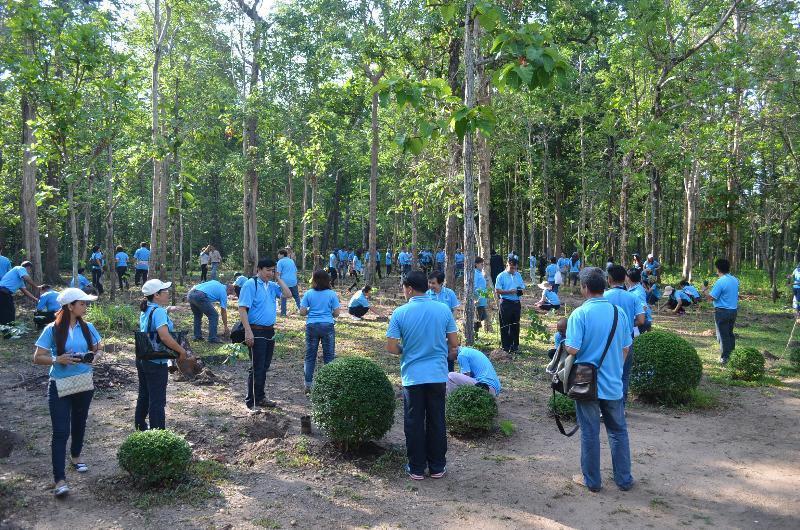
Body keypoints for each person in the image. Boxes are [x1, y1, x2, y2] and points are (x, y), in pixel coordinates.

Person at [564, 267, 634, 493]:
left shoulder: (579, 314)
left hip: (587, 384)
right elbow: (626, 347)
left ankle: (592, 481)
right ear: (604, 286)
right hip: (613, 383)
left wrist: (564, 344)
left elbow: (573, 348)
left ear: (584, 288)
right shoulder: (618, 313)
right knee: (618, 431)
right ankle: (624, 479)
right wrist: (614, 368)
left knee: (590, 432)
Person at [386, 271, 459, 480]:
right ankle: (437, 467)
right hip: (437, 374)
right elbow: (454, 343)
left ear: (409, 288)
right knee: (437, 419)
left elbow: (391, 347)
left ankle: (416, 467)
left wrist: (405, 350)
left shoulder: (400, 313)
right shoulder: (443, 310)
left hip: (413, 376)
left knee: (414, 421)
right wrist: (436, 345)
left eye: (403, 288)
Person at [32, 288, 101, 497]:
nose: (86, 307)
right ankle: (60, 479)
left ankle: (76, 456)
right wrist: (57, 359)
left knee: (80, 422)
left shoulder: (88, 327)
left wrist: (94, 357)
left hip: (83, 383)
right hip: (59, 385)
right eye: (82, 303)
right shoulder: (52, 329)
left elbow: (99, 348)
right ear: (70, 306)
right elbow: (38, 356)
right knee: (60, 431)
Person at [238, 258, 291, 409]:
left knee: (265, 366)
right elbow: (242, 309)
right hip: (256, 330)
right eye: (267, 270)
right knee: (257, 366)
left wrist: (278, 278)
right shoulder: (251, 284)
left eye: (272, 270)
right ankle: (251, 402)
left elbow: (288, 294)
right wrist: (248, 332)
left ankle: (260, 397)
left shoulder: (272, 285)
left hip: (269, 331)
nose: (270, 273)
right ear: (259, 270)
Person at [137, 280, 188, 430]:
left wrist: (169, 310)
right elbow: (164, 336)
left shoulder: (147, 309)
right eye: (164, 291)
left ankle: (140, 427)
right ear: (156, 295)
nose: (167, 293)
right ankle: (158, 433)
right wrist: (181, 350)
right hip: (156, 361)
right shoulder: (158, 311)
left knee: (144, 395)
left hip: (143, 358)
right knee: (157, 400)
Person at [605, 265, 645, 403]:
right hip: (626, 341)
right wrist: (628, 323)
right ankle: (620, 407)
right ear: (625, 279)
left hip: (607, 341)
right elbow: (641, 320)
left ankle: (605, 407)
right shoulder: (633, 297)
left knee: (607, 373)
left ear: (609, 280)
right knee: (624, 374)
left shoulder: (603, 296)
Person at [299, 270, 341, 393]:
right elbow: (337, 313)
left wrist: (310, 311)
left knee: (310, 356)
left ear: (315, 280)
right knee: (329, 356)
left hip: (312, 325)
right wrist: (328, 313)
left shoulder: (308, 293)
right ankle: (328, 384)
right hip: (327, 325)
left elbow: (302, 312)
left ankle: (308, 384)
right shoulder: (331, 294)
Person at [702, 258, 739, 364]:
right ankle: (732, 355)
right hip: (733, 311)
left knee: (722, 335)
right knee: (729, 334)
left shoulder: (721, 281)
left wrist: (704, 289)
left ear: (718, 269)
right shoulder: (734, 279)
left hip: (722, 311)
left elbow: (711, 298)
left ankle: (725, 358)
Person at [495, 258, 525, 355]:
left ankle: (515, 346)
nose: (513, 270)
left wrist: (519, 290)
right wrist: (509, 291)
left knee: (515, 325)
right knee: (505, 325)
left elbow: (522, 287)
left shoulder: (518, 275)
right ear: (507, 265)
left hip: (516, 303)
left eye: (515, 268)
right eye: (511, 268)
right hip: (506, 302)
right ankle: (506, 347)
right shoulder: (501, 276)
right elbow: (497, 290)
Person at [625, 268, 653, 333]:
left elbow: (644, 307)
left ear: (629, 278)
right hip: (638, 321)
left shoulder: (638, 292)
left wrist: (633, 321)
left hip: (640, 322)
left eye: (626, 276)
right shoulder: (633, 287)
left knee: (636, 340)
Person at [276, 248, 300, 316]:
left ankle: (283, 313)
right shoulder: (291, 261)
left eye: (279, 254)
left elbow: (278, 273)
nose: (278, 256)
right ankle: (301, 310)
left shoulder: (280, 262)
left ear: (282, 254)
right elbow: (295, 271)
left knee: (283, 296)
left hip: (284, 282)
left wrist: (278, 281)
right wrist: (295, 280)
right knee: (297, 297)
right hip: (293, 281)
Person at [473, 257, 491, 335]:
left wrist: (487, 295)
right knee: (476, 319)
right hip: (478, 300)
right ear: (476, 264)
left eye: (483, 264)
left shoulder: (479, 273)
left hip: (482, 300)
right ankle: (474, 336)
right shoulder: (475, 273)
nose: (482, 266)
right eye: (481, 264)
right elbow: (475, 287)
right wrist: (480, 296)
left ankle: (476, 335)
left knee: (480, 318)